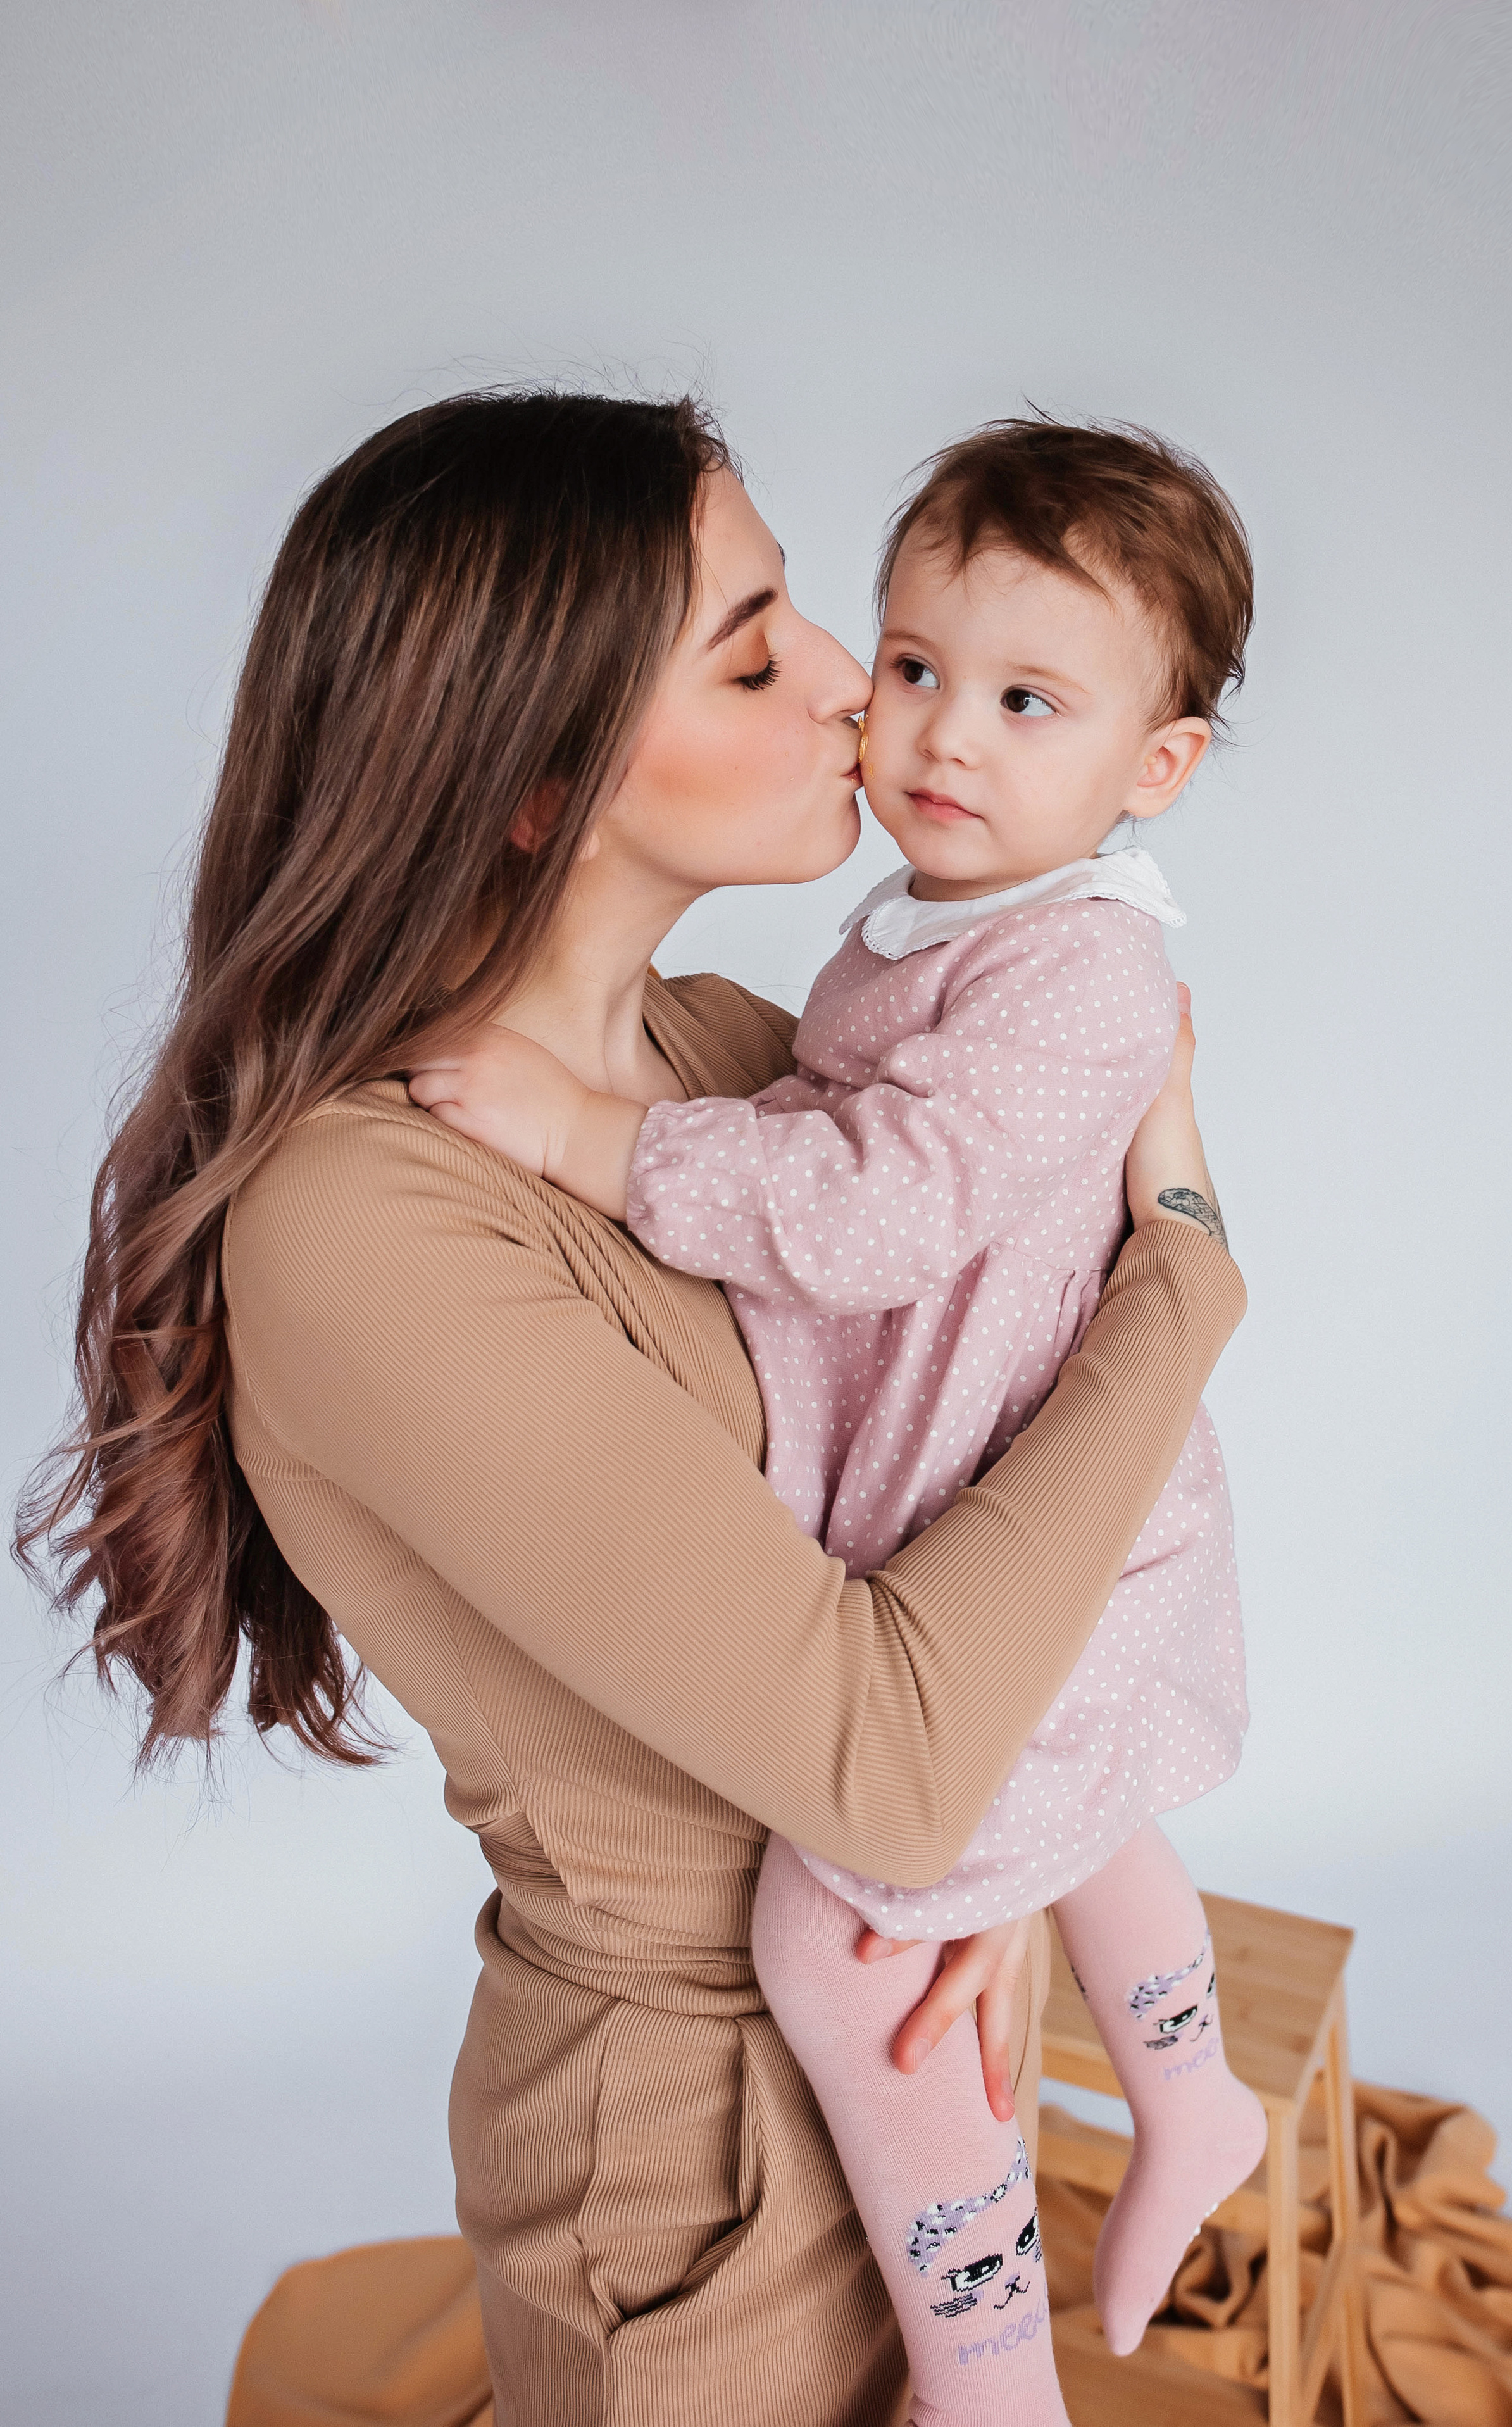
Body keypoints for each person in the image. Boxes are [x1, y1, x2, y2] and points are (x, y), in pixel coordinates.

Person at [18, 391, 1247, 2427]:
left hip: (914, 2026)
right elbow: (894, 1754)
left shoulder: (736, 1058)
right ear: (531, 779)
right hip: (700, 2196)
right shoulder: (368, 1223)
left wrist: (1024, 1878)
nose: (864, 687)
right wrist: (1192, 1280)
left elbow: (989, 1399)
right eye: (762, 649)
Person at [410, 418, 1265, 2416]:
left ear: (1157, 769)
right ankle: (1192, 2086)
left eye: (1028, 700)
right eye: (912, 667)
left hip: (1035, 1501)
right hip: (970, 1487)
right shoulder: (919, 930)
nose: (938, 737)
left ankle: (989, 2371)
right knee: (1088, 1794)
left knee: (838, 1917)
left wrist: (614, 1145)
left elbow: (880, 1210)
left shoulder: (1080, 980)